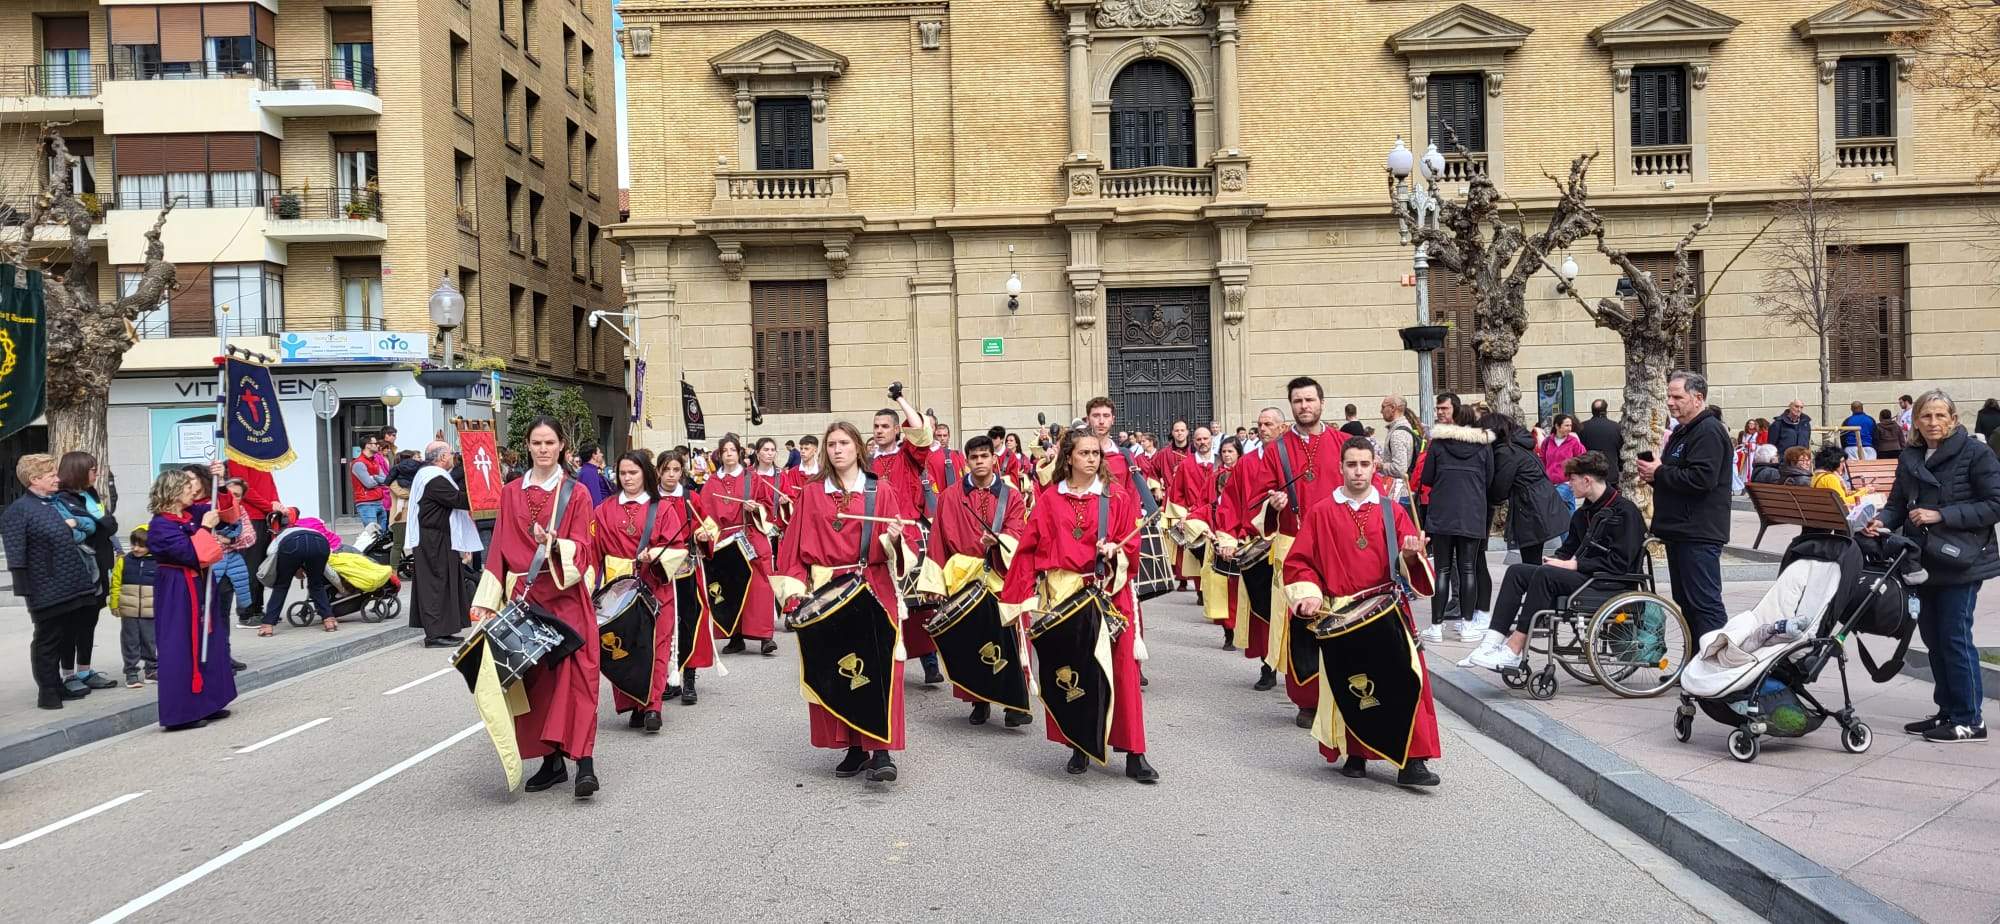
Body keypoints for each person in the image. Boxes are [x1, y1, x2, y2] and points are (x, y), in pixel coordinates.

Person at [1282, 435, 1442, 787]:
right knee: (1352, 685)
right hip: (1342, 615)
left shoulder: (1392, 510)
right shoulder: (1321, 511)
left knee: (1407, 682)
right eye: (1351, 464)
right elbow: (1299, 562)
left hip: (1387, 611)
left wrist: (1411, 555)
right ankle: (1356, 753)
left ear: (1374, 468)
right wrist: (1309, 594)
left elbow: (1410, 563)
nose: (1358, 471)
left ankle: (1413, 761)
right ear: (1340, 467)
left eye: (1364, 464)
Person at [773, 421, 927, 783]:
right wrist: (794, 593)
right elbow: (793, 547)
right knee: (837, 667)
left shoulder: (880, 490)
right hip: (827, 588)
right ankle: (854, 748)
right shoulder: (812, 493)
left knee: (880, 666)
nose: (837, 449)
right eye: (831, 444)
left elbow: (903, 545)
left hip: (872, 585)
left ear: (858, 447)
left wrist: (894, 538)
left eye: (844, 443)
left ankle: (881, 750)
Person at [1001, 427, 1155, 783]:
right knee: (1074, 670)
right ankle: (1079, 744)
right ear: (1068, 458)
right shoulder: (1050, 500)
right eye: (1084, 453)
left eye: (1095, 453)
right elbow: (1028, 549)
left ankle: (1134, 753)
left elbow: (1131, 545)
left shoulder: (1117, 497)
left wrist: (1115, 551)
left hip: (1108, 592)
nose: (1091, 459)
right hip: (1064, 596)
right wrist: (1016, 597)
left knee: (1122, 672)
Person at [469, 416, 602, 798]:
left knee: (577, 681)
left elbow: (586, 548)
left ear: (561, 446)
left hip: (566, 597)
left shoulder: (577, 493)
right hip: (525, 600)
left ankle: (585, 764)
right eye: (537, 443)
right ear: (527, 446)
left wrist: (556, 544)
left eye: (550, 443)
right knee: (537, 684)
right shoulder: (511, 492)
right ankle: (552, 761)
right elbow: (498, 549)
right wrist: (486, 604)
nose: (543, 449)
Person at [1865, 390, 2000, 743]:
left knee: (1955, 637)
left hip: (1961, 560)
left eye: (1941, 415)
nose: (1933, 422)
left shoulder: (1976, 453)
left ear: (1953, 419)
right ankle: (1948, 711)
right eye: (1926, 416)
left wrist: (1942, 514)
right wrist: (1881, 522)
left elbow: (1995, 504)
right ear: (1916, 421)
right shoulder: (1911, 455)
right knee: (1933, 638)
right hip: (1921, 559)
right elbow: (1897, 504)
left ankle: (1970, 719)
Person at [1215, 377, 1347, 728]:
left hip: (1338, 547)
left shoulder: (1342, 444)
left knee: (1340, 621)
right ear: (1292, 406)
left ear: (1321, 402)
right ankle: (1307, 700)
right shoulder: (1277, 451)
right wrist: (1273, 505)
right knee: (1302, 623)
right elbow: (1257, 501)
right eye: (1298, 401)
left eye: (1310, 400)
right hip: (1293, 547)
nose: (1305, 406)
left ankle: (1342, 695)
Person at [1468, 451, 1647, 670]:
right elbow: (1568, 549)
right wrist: (1555, 560)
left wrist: (1574, 564)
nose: (1568, 484)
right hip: (1586, 576)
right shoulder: (1583, 514)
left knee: (1546, 575)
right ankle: (1490, 644)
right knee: (1518, 571)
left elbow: (1621, 562)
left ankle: (1514, 648)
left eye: (1572, 479)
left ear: (1587, 480)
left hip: (1610, 581)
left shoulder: (1624, 512)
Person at [927, 434, 1032, 727]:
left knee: (1010, 638)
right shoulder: (950, 496)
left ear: (993, 459)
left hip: (1000, 572)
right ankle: (979, 699)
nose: (979, 462)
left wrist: (1000, 541)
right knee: (971, 640)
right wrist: (935, 584)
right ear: (967, 462)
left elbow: (1019, 528)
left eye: (984, 456)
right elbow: (938, 538)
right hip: (964, 575)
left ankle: (1015, 703)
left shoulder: (1010, 495)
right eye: (974, 457)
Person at [3, 455, 106, 709]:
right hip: (45, 586)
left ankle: (59, 686)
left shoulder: (54, 503)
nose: (57, 479)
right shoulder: (19, 511)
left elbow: (86, 528)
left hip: (71, 582)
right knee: (47, 639)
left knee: (65, 634)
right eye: (51, 475)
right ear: (34, 479)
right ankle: (48, 691)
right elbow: (16, 552)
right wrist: (25, 588)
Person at [1638, 371, 1732, 639]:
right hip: (1679, 529)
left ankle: (1717, 659)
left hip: (1698, 531)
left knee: (1704, 603)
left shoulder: (1708, 431)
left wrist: (1660, 472)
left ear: (1698, 398)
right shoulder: (1682, 431)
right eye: (1669, 396)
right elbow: (1677, 476)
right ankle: (1695, 658)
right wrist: (1655, 475)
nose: (1670, 402)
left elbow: (1702, 479)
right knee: (1686, 601)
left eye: (1677, 397)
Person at [144, 468, 237, 730]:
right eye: (187, 487)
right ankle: (181, 713)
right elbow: (191, 554)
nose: (193, 491)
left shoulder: (188, 514)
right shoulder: (160, 526)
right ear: (173, 492)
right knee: (181, 644)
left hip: (199, 583)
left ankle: (209, 702)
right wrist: (205, 528)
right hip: (177, 588)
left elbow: (225, 513)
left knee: (209, 639)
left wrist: (221, 481)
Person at [593, 450, 677, 732]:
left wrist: (656, 554)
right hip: (619, 590)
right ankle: (634, 703)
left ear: (645, 474)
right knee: (624, 645)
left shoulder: (662, 508)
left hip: (654, 586)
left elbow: (676, 547)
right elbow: (592, 552)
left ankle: (653, 706)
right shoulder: (604, 510)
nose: (627, 478)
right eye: (623, 473)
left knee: (656, 644)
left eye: (633, 472)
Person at [1219, 407, 1287, 689]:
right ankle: (1267, 665)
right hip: (1257, 546)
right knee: (1263, 610)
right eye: (1260, 424)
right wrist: (1227, 537)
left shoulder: (1291, 460)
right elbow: (1230, 501)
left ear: (1283, 427)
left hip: (1289, 544)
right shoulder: (1246, 464)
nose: (1263, 428)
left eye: (1269, 423)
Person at [697, 435, 780, 656]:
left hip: (750, 534)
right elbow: (704, 515)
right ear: (719, 454)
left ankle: (765, 637)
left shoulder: (752, 478)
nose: (729, 454)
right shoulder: (711, 483)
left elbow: (768, 506)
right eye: (725, 450)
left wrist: (756, 508)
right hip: (725, 539)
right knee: (730, 586)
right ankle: (735, 636)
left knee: (760, 585)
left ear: (739, 453)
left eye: (732, 450)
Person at [1421, 403, 1493, 644]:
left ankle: (1436, 627)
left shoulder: (1439, 444)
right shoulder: (1484, 446)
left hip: (1442, 513)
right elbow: (1489, 479)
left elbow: (1427, 477)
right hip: (1472, 513)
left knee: (1442, 569)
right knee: (1468, 568)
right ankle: (1468, 625)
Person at [653, 451, 715, 706]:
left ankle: (689, 677)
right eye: (666, 469)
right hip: (658, 570)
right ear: (658, 471)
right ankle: (667, 677)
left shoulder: (691, 498)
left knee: (690, 621)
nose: (671, 475)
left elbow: (709, 526)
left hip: (687, 568)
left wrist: (704, 535)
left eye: (676, 470)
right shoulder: (651, 499)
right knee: (662, 624)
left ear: (682, 472)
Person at [55, 451, 119, 691]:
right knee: (71, 624)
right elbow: (82, 530)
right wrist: (97, 525)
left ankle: (85, 670)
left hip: (100, 564)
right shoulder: (62, 498)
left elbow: (109, 524)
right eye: (93, 470)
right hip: (79, 567)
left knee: (90, 621)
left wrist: (97, 525)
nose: (97, 474)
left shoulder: (91, 493)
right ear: (79, 470)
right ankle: (68, 675)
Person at [406, 441, 480, 648]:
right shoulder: (434, 478)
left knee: (445, 582)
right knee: (436, 584)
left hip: (438, 536)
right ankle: (435, 635)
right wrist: (481, 490)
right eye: (451, 453)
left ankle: (444, 630)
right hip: (433, 539)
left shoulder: (431, 474)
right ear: (442, 457)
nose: (453, 457)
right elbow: (458, 500)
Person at [1486, 413, 1569, 566]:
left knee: (1531, 561)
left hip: (1531, 507)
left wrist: (1487, 497)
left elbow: (1500, 489)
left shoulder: (1506, 452)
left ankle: (1535, 582)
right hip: (1541, 502)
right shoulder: (1519, 446)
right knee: (1533, 558)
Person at [257, 508, 336, 635]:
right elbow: (318, 555)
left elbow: (271, 552)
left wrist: (285, 568)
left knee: (281, 586)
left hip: (291, 545)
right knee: (316, 585)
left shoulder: (282, 535)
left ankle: (267, 625)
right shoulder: (309, 528)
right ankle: (329, 621)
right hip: (321, 543)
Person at [223, 458, 280, 616]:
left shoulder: (259, 458)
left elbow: (270, 485)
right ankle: (246, 613)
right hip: (251, 517)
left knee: (260, 567)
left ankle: (257, 608)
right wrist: (269, 506)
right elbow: (245, 491)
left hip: (264, 517)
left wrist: (276, 504)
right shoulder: (238, 458)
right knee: (250, 567)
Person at [112, 527, 159, 688]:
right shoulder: (123, 561)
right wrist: (114, 604)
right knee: (130, 642)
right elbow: (115, 583)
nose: (136, 548)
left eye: (141, 545)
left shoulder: (158, 563)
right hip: (129, 610)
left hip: (150, 610)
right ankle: (131, 673)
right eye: (133, 544)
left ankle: (151, 670)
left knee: (150, 641)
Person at [1540, 414, 1586, 508]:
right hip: (1550, 483)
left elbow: (1582, 458)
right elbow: (1542, 460)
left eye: (1570, 425)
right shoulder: (1547, 442)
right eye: (1566, 425)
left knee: (1554, 503)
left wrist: (1575, 476)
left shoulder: (1573, 442)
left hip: (1566, 483)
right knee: (1567, 509)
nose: (1569, 428)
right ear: (1557, 426)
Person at [350, 433, 392, 534]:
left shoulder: (374, 461)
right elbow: (368, 484)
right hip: (366, 503)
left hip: (379, 501)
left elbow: (385, 479)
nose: (378, 445)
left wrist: (374, 477)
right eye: (375, 443)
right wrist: (377, 479)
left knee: (383, 535)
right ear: (368, 445)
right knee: (373, 535)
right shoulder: (359, 463)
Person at [1578, 399, 1623, 479]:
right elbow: (1621, 450)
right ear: (1606, 410)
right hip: (1610, 472)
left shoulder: (1582, 427)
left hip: (1589, 473)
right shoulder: (1616, 427)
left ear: (1592, 411)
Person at [1378, 394, 1417, 485]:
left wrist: (1380, 465)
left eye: (1383, 407)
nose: (1381, 411)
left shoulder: (1398, 434)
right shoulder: (1404, 427)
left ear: (1392, 408)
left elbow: (1399, 469)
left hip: (1399, 489)